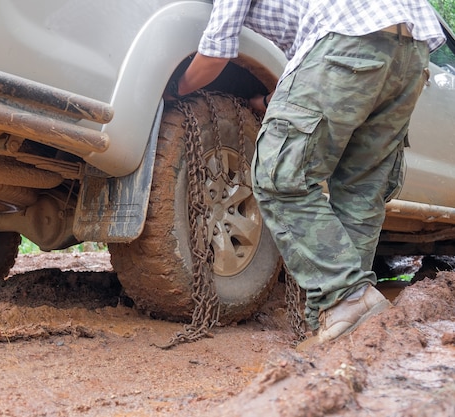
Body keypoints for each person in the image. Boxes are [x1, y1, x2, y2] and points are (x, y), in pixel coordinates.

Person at [165, 0, 445, 347]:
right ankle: (345, 327)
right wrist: (270, 101)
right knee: (361, 190)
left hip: (349, 34)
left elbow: (215, 52)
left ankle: (346, 296)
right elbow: (315, 69)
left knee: (280, 176)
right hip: (411, 56)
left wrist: (173, 90)